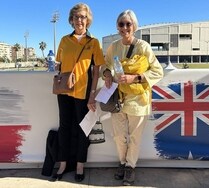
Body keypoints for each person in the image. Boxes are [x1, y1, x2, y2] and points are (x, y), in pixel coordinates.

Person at [102, 10, 164, 186]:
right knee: (118, 135)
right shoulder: (113, 46)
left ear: (134, 26)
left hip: (139, 99)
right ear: (117, 26)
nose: (124, 27)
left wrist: (134, 78)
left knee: (135, 137)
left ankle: (130, 167)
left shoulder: (143, 46)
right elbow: (106, 66)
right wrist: (107, 74)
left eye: (128, 24)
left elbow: (157, 71)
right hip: (118, 98)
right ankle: (122, 162)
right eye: (121, 24)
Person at [51, 3, 105, 182]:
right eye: (76, 17)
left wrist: (92, 94)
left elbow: (96, 71)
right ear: (71, 20)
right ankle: (63, 163)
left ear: (87, 20)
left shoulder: (94, 42)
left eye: (82, 17)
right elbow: (59, 65)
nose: (79, 20)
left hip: (83, 93)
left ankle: (80, 164)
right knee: (64, 127)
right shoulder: (64, 41)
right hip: (64, 91)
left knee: (83, 130)